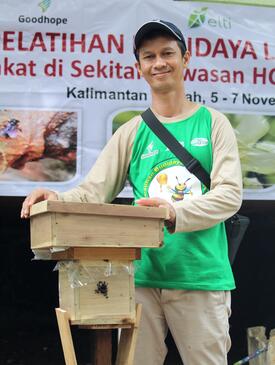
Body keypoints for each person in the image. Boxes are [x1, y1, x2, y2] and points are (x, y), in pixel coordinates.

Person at [21, 20, 242, 365]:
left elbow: (229, 195)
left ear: (186, 58)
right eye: (149, 56)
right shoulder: (133, 131)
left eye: (168, 53)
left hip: (200, 275)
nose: (159, 63)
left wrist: (173, 213)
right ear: (138, 67)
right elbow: (94, 191)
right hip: (141, 276)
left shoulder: (213, 123)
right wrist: (55, 198)